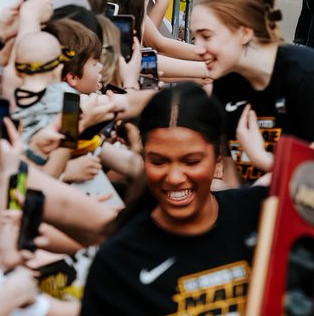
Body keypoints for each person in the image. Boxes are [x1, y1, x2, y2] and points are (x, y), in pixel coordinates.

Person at [82, 84, 268, 315]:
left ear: (218, 162)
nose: (175, 177)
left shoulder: (262, 214)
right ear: (143, 161)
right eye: (159, 162)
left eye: (191, 162)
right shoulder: (118, 261)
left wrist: (265, 160)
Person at [189, 0, 314, 181]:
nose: (197, 49)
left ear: (244, 32)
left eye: (206, 36)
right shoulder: (226, 83)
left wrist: (265, 161)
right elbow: (232, 176)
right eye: (194, 38)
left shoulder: (309, 75)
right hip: (254, 207)